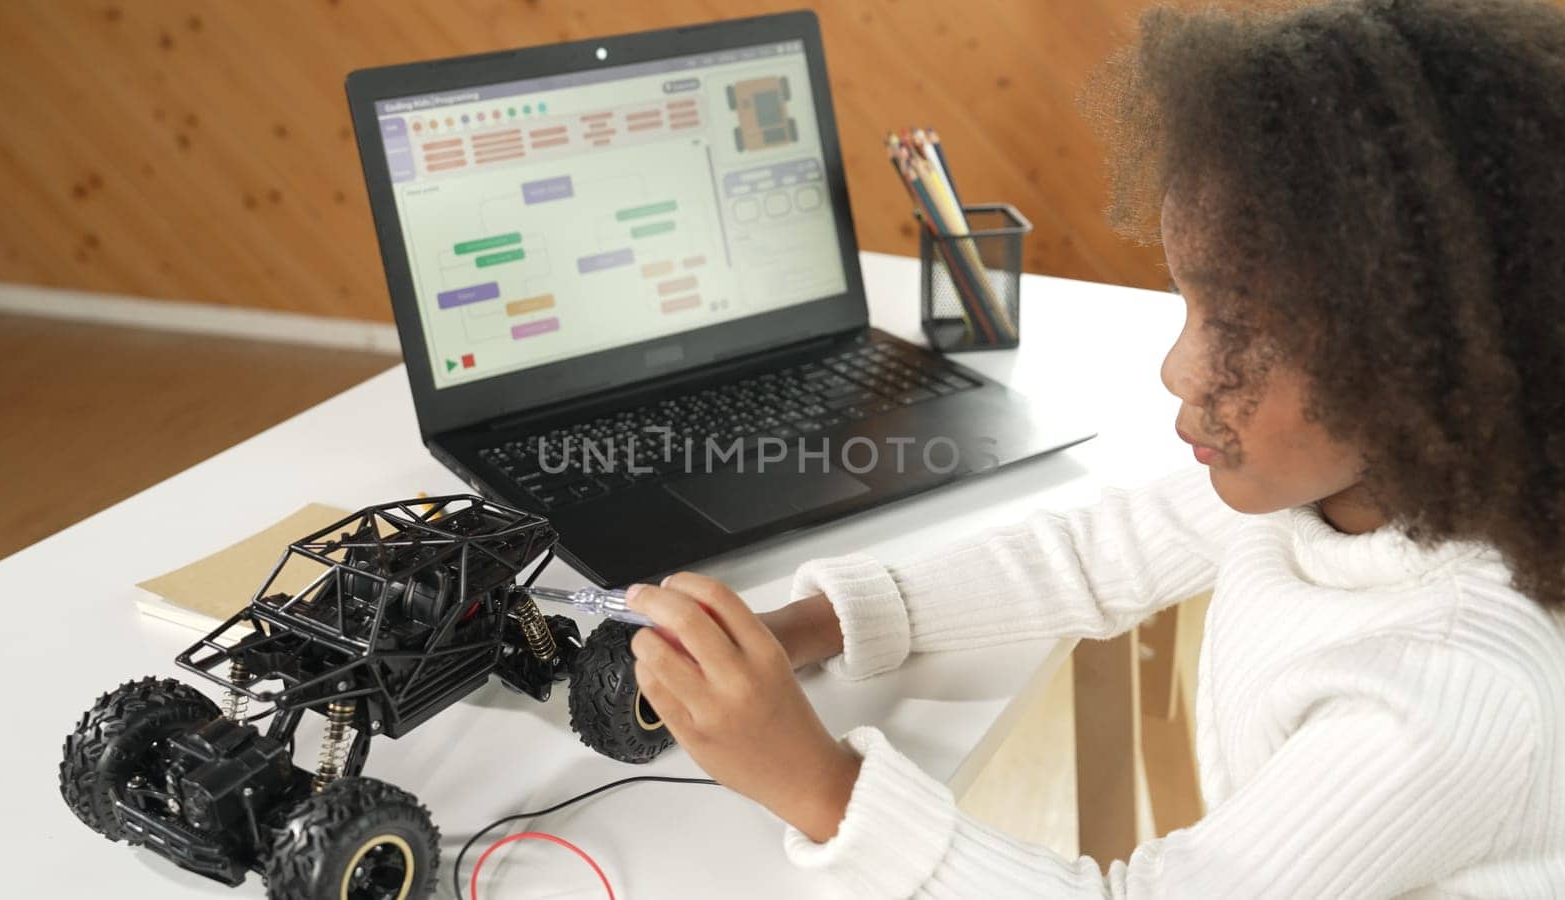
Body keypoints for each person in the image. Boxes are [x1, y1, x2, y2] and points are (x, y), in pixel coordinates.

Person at [624, 0, 1565, 895]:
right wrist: (801, 630)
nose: (1178, 367)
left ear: (1416, 369)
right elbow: (1084, 555)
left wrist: (817, 786)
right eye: (1190, 306)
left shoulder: (1448, 690)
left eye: (1237, 330)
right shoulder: (1338, 495)